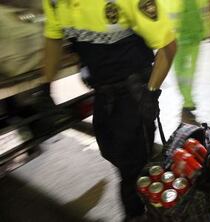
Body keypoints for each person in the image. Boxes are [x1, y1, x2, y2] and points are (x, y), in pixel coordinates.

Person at [41, 0, 177, 221]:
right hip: (103, 92)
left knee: (133, 168)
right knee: (112, 151)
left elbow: (168, 46)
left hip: (134, 91)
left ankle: (137, 214)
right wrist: (44, 87)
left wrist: (150, 93)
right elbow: (53, 38)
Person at [172, 0, 204, 124]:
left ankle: (188, 100)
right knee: (182, 71)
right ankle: (187, 99)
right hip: (179, 36)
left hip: (193, 35)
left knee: (187, 71)